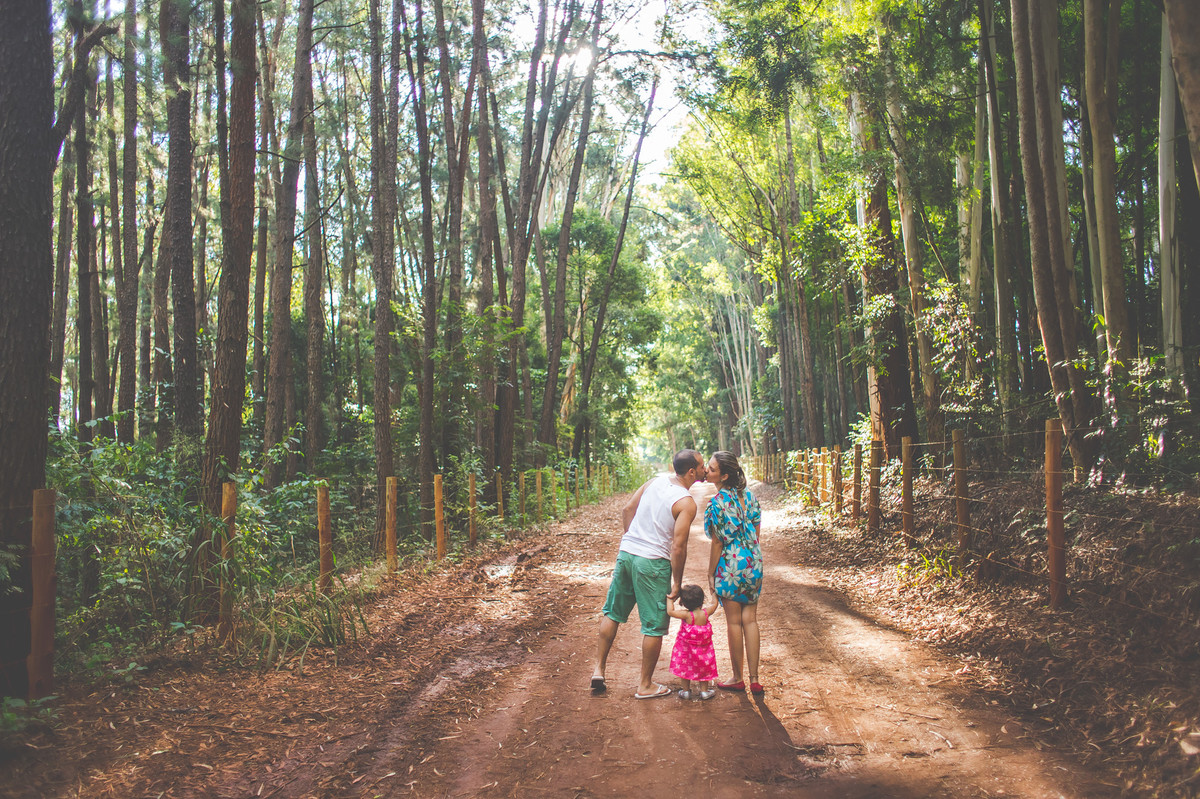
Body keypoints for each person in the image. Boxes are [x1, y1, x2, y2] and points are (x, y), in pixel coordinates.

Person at [591, 449, 706, 699]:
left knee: (613, 612)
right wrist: (677, 583)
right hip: (652, 563)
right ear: (691, 472)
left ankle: (598, 668)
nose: (705, 469)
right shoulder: (686, 502)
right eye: (702, 465)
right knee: (654, 626)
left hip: (627, 554)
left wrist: (631, 540)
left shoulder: (655, 481)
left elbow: (627, 509)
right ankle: (645, 685)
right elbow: (678, 546)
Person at [705, 450, 765, 695]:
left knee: (733, 622)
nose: (706, 471)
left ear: (724, 475)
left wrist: (711, 573)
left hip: (731, 565)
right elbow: (757, 533)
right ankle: (755, 679)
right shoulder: (750, 497)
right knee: (750, 620)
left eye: (711, 468)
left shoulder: (717, 503)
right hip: (754, 562)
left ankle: (737, 677)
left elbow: (717, 542)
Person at [667, 584, 719, 700]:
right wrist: (714, 593)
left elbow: (670, 612)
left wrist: (670, 598)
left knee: (685, 666)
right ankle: (704, 691)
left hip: (686, 651)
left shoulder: (686, 615)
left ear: (683, 603)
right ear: (702, 599)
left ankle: (685, 691)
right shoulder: (705, 613)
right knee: (704, 667)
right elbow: (714, 604)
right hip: (704, 651)